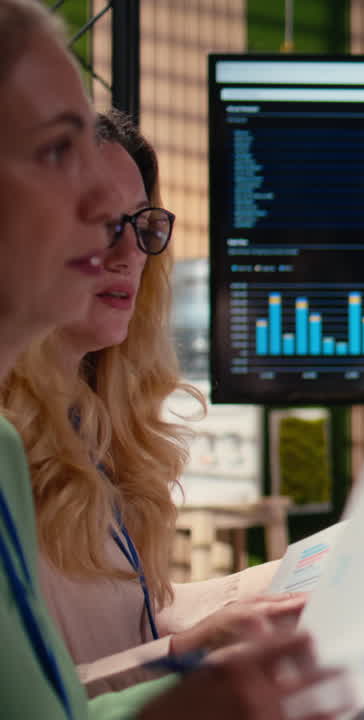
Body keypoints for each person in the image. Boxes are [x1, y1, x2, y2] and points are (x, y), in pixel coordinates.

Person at [0, 0, 343, 717]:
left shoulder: (82, 423)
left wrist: (290, 580)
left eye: (141, 223)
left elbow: (112, 639)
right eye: (58, 150)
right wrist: (186, 676)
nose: (109, 231)